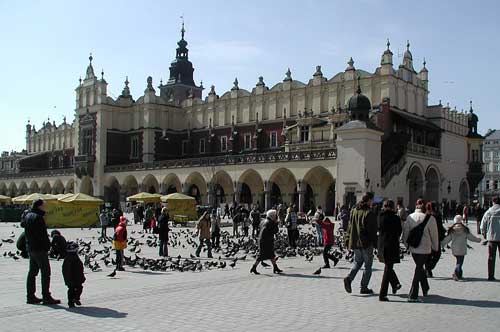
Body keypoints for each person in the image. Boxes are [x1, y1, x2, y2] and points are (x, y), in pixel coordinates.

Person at [21, 199, 60, 305]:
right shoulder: (38, 217)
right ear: (39, 206)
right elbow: (42, 235)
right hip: (39, 249)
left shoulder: (28, 216)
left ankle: (30, 296)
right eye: (44, 206)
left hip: (31, 248)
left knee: (32, 273)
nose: (45, 208)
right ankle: (46, 296)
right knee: (46, 272)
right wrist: (48, 246)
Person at [403, 200, 439, 302]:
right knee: (419, 268)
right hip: (425, 248)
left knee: (419, 267)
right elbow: (434, 235)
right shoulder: (430, 219)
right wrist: (435, 248)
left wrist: (407, 245)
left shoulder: (410, 217)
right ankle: (413, 295)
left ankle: (425, 287)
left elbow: (405, 233)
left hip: (414, 248)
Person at [343, 194, 378, 295]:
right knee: (368, 266)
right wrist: (375, 244)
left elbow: (350, 226)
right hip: (366, 243)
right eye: (372, 200)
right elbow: (372, 231)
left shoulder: (354, 211)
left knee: (357, 263)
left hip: (355, 242)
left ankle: (349, 279)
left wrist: (347, 239)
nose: (373, 202)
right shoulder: (369, 213)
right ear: (369, 201)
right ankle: (364, 287)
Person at [442, 215, 481, 280]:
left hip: (454, 249)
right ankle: (456, 274)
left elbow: (447, 239)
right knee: (459, 262)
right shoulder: (465, 229)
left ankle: (459, 274)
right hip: (462, 248)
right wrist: (478, 240)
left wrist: (441, 244)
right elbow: (471, 238)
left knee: (458, 261)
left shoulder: (452, 229)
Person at [377, 199, 402, 302]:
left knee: (388, 266)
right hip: (391, 245)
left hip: (382, 244)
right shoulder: (395, 218)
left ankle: (395, 284)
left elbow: (378, 228)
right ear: (392, 207)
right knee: (388, 268)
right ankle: (382, 294)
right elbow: (399, 231)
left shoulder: (379, 217)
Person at [250, 209, 282, 274]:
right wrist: (276, 223)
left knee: (271, 254)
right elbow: (275, 231)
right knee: (261, 255)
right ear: (272, 216)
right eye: (275, 216)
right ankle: (254, 267)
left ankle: (275, 267)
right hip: (266, 241)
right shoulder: (270, 223)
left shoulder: (264, 221)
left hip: (262, 240)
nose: (276, 217)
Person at [480, 196, 500, 281]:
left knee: (491, 257)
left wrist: (484, 233)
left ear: (493, 202)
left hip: (491, 237)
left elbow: (482, 225)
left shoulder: (488, 212)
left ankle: (490, 276)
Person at [425, 201, 446, 278]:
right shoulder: (437, 216)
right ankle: (428, 269)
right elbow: (440, 227)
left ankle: (428, 269)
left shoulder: (428, 215)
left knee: (429, 255)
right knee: (436, 254)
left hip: (429, 237)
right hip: (435, 237)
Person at [62, 241, 85, 308]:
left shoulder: (67, 258)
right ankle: (75, 299)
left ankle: (71, 301)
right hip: (76, 278)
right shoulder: (75, 258)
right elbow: (79, 269)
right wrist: (82, 277)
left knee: (71, 290)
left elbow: (65, 270)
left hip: (70, 278)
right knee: (78, 288)